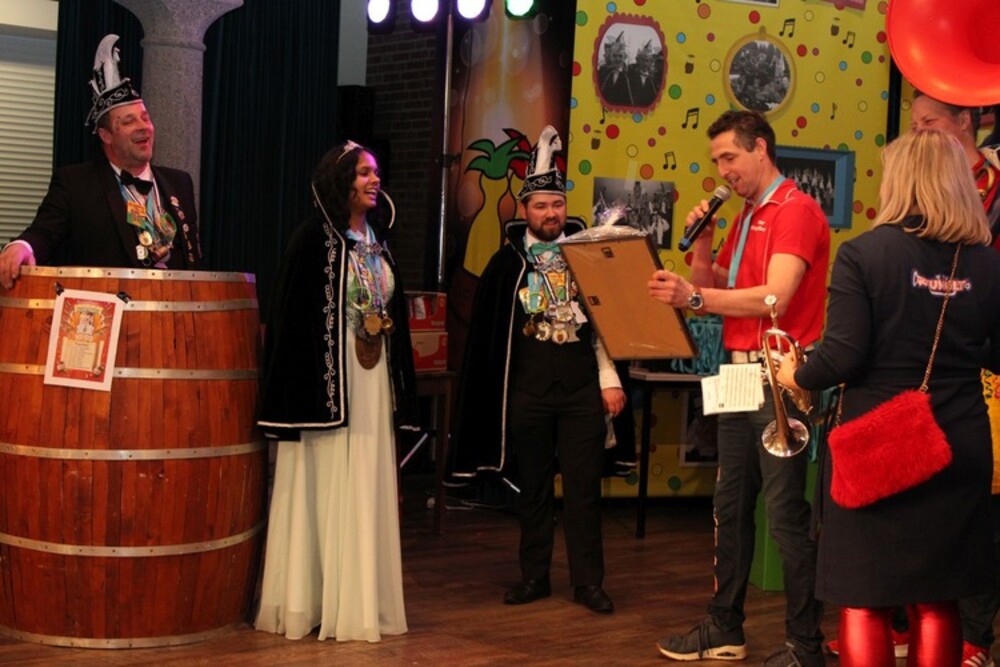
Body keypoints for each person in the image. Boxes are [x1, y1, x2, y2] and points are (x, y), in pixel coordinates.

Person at [776, 129, 1000, 666]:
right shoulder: (989, 264)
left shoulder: (864, 254)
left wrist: (795, 373)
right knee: (938, 596)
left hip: (880, 449)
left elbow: (842, 357)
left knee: (865, 599)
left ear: (899, 182)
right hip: (959, 445)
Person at [649, 109, 828, 666]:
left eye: (729, 157)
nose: (722, 170)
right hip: (738, 373)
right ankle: (724, 627)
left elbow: (775, 296)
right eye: (716, 161)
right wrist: (702, 247)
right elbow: (711, 288)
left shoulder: (795, 210)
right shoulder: (746, 214)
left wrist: (695, 297)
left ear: (761, 149)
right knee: (728, 506)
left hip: (780, 378)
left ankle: (805, 644)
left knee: (785, 515)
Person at [449, 125, 626, 615]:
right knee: (532, 492)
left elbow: (605, 324)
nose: (551, 213)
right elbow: (488, 344)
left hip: (581, 391)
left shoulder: (588, 257)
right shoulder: (505, 265)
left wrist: (609, 380)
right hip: (526, 393)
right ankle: (534, 576)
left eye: (558, 205)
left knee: (584, 493)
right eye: (542, 205)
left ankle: (588, 583)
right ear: (525, 210)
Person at [254, 140, 419, 642]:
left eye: (376, 173)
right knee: (324, 483)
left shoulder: (378, 241)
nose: (374, 180)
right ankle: (315, 600)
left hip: (371, 380)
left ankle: (359, 601)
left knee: (365, 481)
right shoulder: (312, 241)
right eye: (364, 172)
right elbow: (292, 321)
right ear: (340, 180)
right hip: (327, 388)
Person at [0, 34, 201, 290]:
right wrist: (21, 246)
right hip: (106, 309)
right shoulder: (75, 183)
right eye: (128, 121)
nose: (143, 127)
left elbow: (192, 258)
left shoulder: (179, 182)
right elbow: (44, 232)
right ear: (106, 136)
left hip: (173, 308)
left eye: (145, 118)